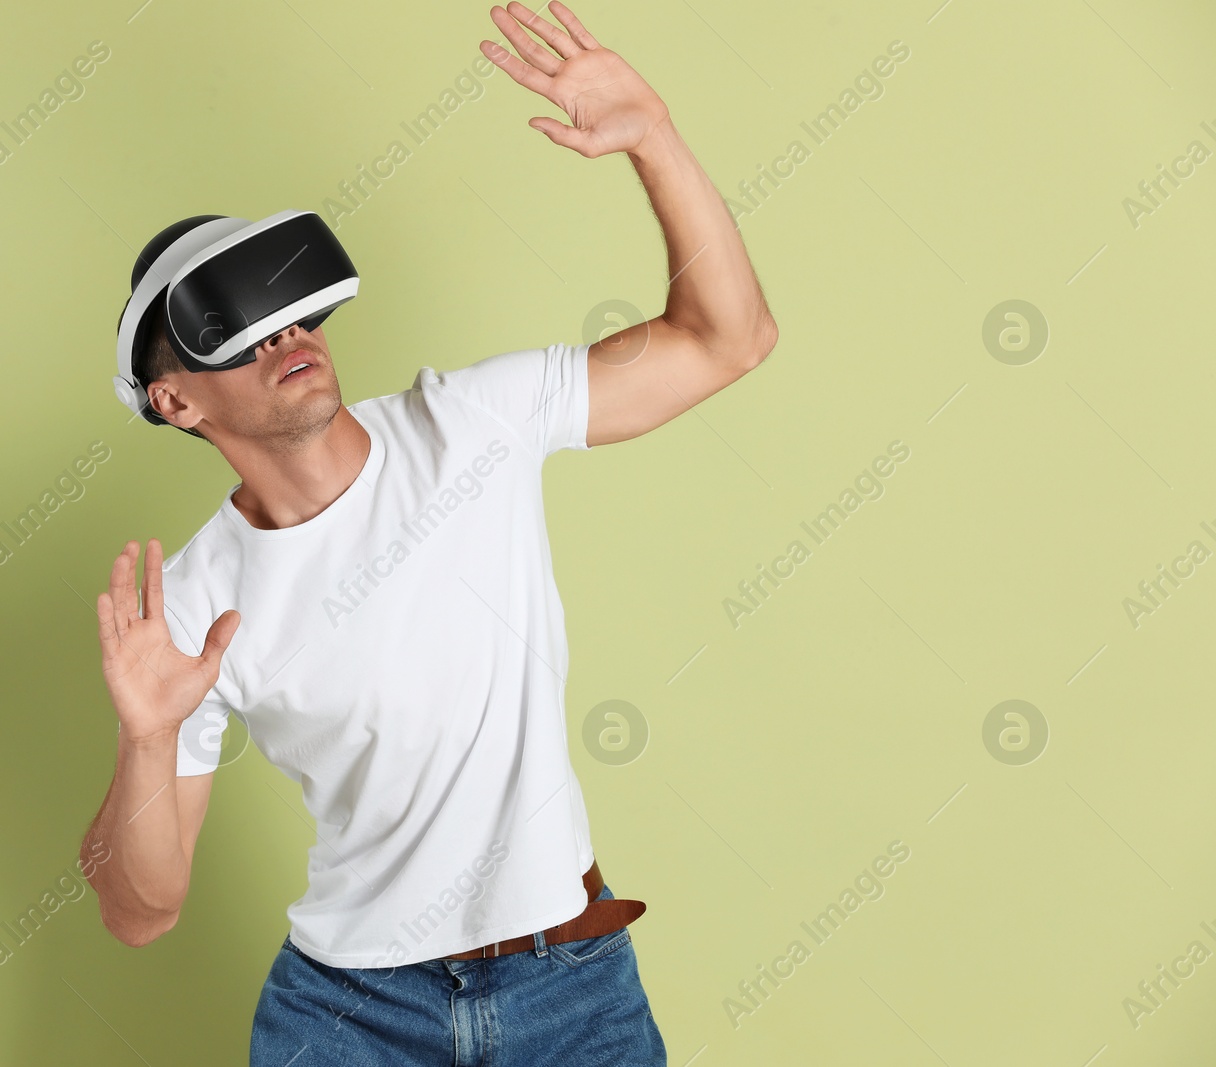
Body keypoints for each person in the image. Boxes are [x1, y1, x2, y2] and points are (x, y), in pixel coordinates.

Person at [80, 3, 777, 1062]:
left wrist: (654, 137)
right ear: (175, 401)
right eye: (241, 330)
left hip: (568, 985)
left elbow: (728, 339)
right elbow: (141, 910)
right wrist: (145, 737)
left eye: (297, 308)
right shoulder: (187, 604)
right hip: (348, 1015)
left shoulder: (471, 424)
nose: (291, 336)